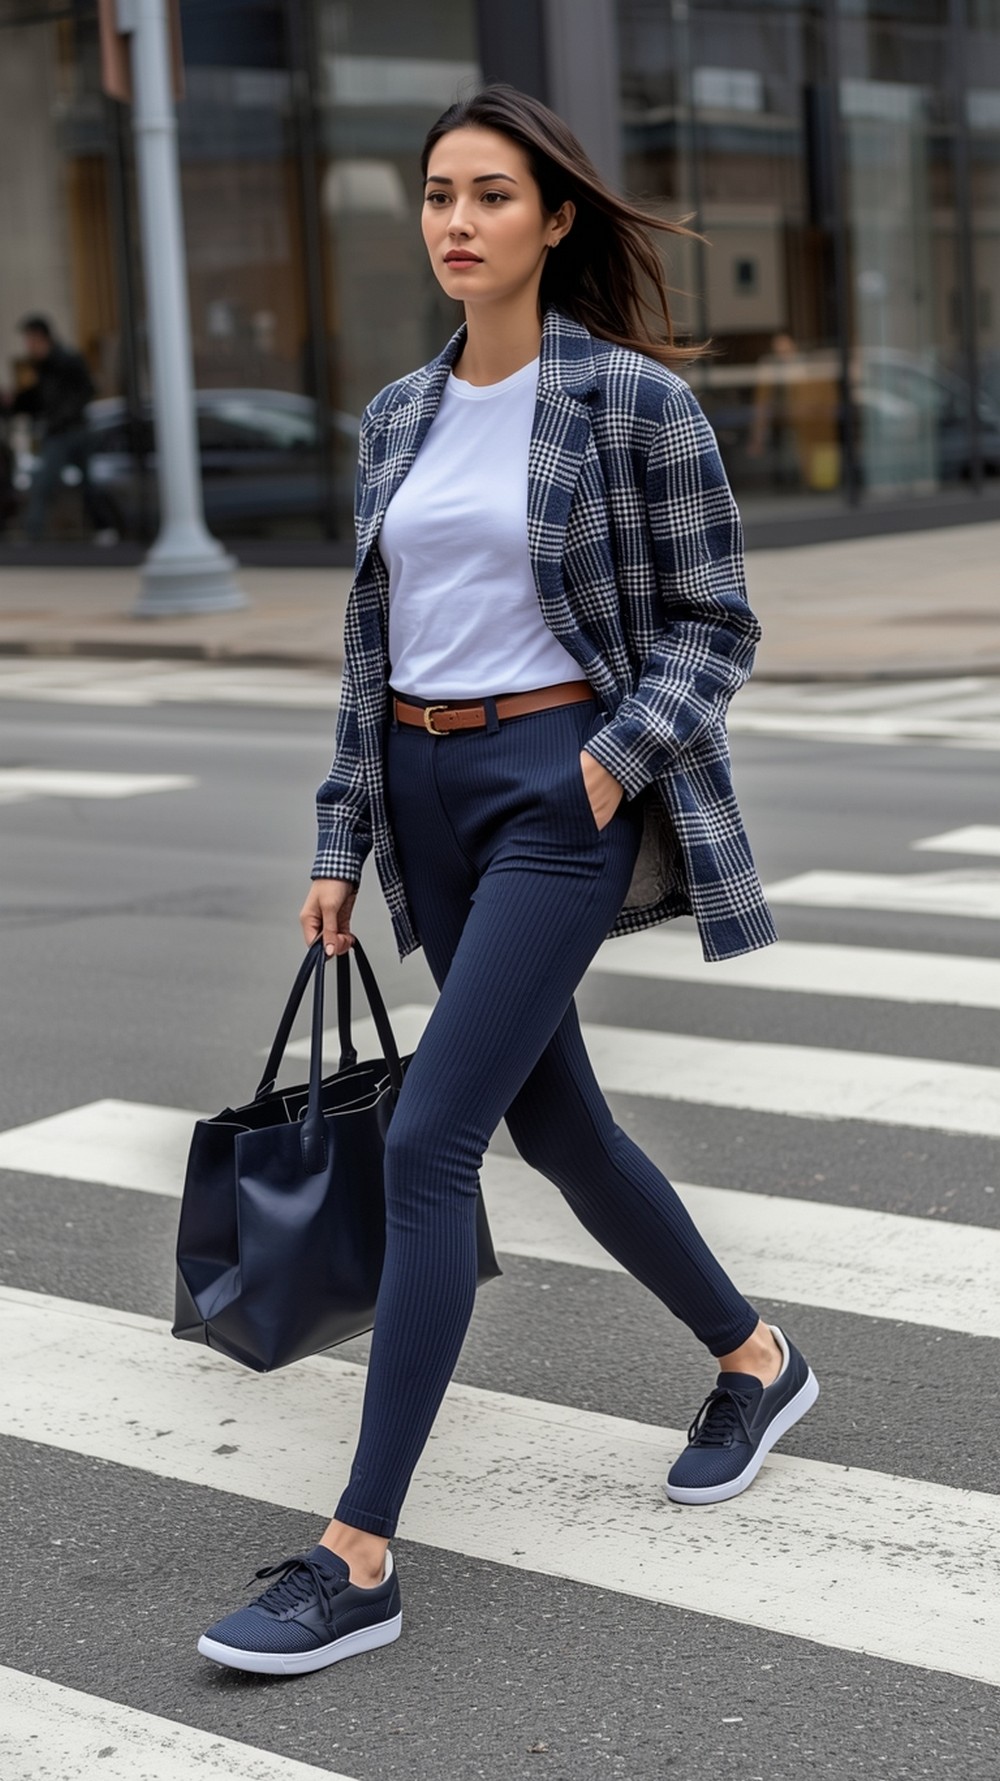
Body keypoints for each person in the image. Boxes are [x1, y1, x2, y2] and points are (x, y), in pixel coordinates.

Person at [197, 84, 819, 1678]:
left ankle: (359, 1553)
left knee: (429, 1136)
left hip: (555, 790)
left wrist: (613, 762)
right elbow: (367, 650)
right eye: (435, 195)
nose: (456, 220)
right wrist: (340, 841)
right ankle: (756, 1355)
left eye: (489, 194)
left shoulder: (629, 404)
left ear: (552, 219)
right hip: (422, 788)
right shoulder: (398, 417)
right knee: (559, 1122)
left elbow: (716, 624)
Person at [0, 314, 119, 543]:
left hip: (69, 431)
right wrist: (14, 404)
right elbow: (36, 400)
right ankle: (103, 527)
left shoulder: (66, 361)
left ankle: (35, 533)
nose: (28, 345)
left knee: (53, 483)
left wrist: (61, 417)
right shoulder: (43, 368)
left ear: (40, 337)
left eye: (30, 339)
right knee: (78, 482)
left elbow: (84, 390)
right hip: (62, 430)